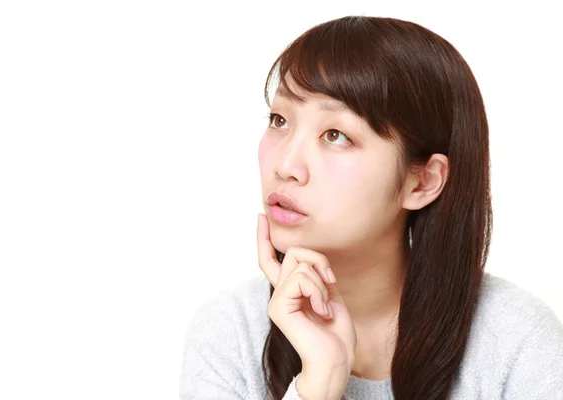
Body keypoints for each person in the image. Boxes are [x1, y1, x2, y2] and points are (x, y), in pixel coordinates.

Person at [179, 15, 563, 400]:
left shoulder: (518, 343)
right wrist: (319, 384)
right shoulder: (231, 332)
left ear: (422, 181)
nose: (286, 166)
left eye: (335, 135)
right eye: (279, 120)